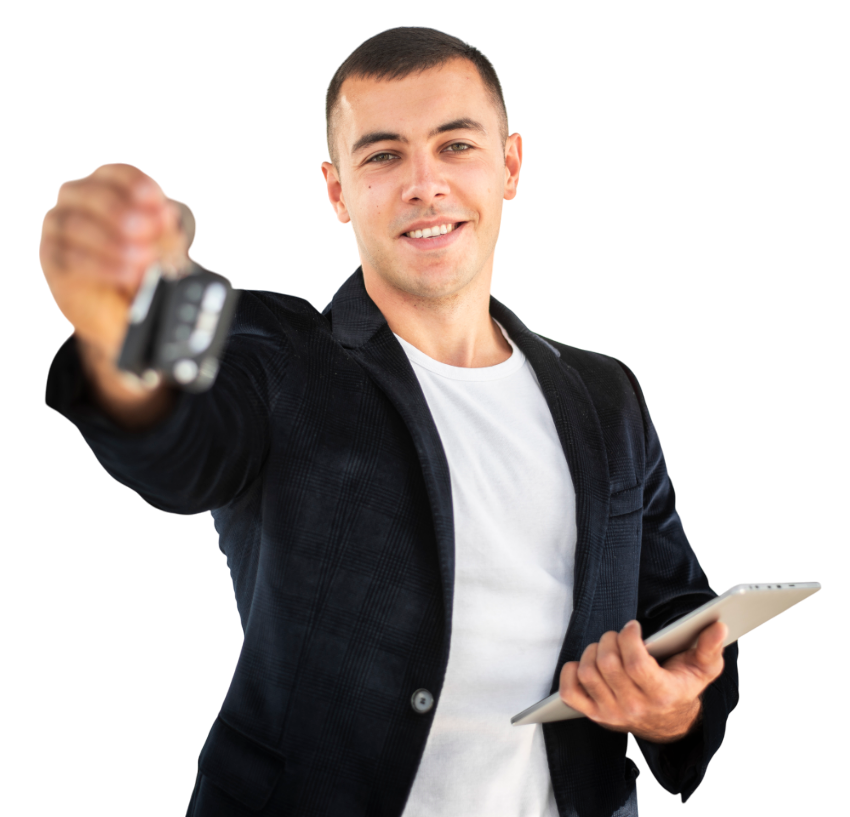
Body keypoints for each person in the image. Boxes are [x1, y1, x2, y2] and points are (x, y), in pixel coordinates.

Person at [42, 26, 737, 817]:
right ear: (336, 192)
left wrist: (673, 706)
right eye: (382, 156)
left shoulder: (605, 393)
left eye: (455, 147)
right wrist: (115, 325)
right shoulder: (277, 351)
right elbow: (178, 443)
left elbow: (676, 603)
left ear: (509, 166)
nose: (424, 184)